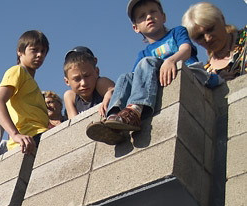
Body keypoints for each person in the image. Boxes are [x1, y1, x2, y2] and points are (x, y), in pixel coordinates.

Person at [86, 0, 199, 145]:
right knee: (125, 77)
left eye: (153, 12)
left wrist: (171, 60)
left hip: (186, 69)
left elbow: (186, 50)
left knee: (146, 62)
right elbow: (134, 80)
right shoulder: (143, 53)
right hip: (156, 76)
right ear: (136, 27)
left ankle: (134, 111)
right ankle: (113, 120)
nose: (149, 17)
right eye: (142, 16)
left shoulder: (177, 32)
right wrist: (111, 92)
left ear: (163, 17)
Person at [0, 30, 50, 155]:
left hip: (38, 135)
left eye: (43, 51)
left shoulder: (31, 82)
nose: (40, 55)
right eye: (34, 50)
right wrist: (15, 134)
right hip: (30, 139)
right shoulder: (18, 71)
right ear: (20, 51)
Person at [183, 2, 246, 80]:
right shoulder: (207, 76)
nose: (208, 38)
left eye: (210, 29)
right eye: (199, 37)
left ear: (222, 19)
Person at [62, 46, 115, 119]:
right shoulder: (70, 97)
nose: (83, 83)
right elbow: (74, 122)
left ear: (97, 72)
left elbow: (116, 92)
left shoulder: (101, 83)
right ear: (67, 81)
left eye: (87, 76)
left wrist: (110, 94)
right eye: (77, 79)